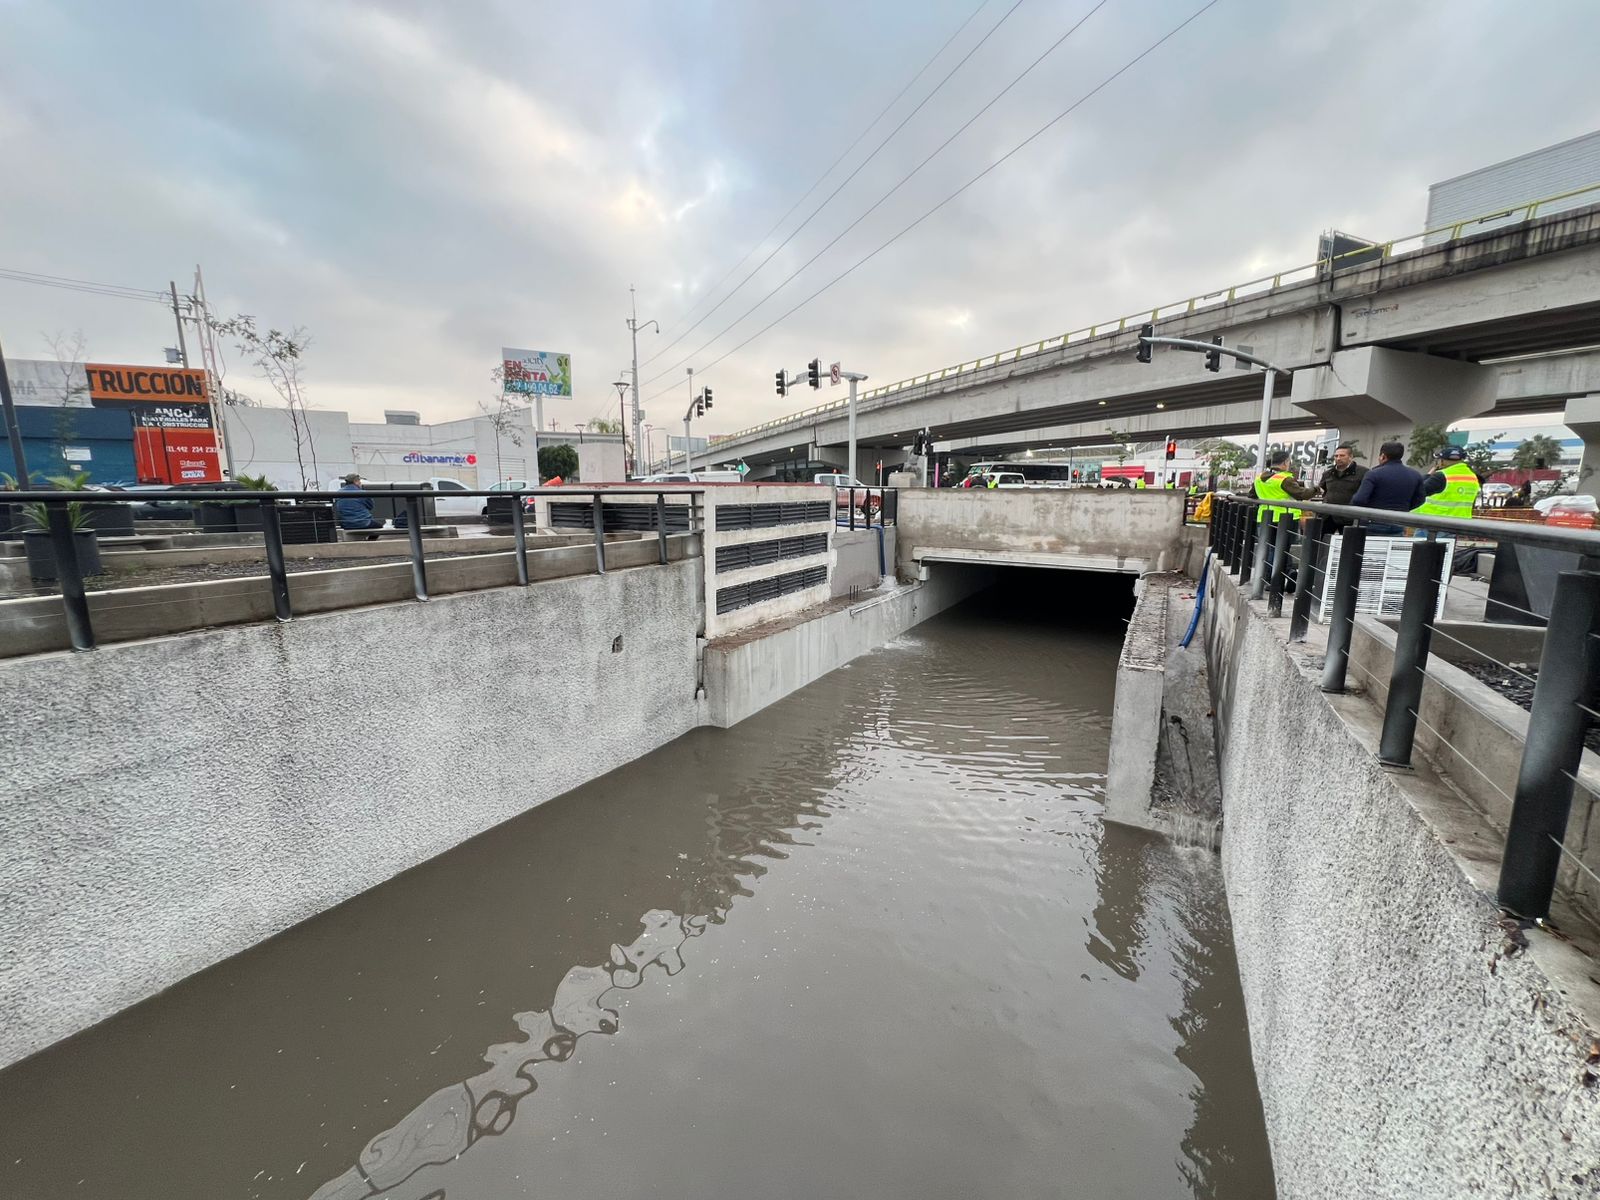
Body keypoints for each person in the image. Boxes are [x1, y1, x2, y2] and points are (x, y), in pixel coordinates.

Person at [1253, 450, 1314, 576]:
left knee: (1269, 548)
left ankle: (1277, 575)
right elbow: (1302, 494)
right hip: (1285, 518)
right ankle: (1279, 576)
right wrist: (1317, 489)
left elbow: (1251, 495)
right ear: (1286, 462)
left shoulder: (1259, 478)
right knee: (1281, 548)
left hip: (1264, 518)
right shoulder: (1285, 479)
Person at [1349, 441, 1425, 535]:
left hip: (1372, 523)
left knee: (1367, 549)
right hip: (1399, 522)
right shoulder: (1415, 475)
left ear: (1383, 456)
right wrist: (1403, 508)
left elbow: (1359, 499)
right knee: (1392, 548)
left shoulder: (1373, 474)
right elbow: (1420, 499)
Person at [1412, 445, 1482, 521]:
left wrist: (1428, 474)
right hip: (1462, 522)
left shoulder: (1442, 476)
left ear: (1443, 461)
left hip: (1435, 521)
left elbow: (1419, 490)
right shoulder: (1472, 477)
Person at [1317, 443, 1368, 529]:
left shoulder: (1363, 473)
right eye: (1336, 456)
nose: (1338, 458)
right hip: (1328, 516)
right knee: (1323, 541)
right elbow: (1322, 490)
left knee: (1347, 541)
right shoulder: (1328, 474)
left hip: (1349, 517)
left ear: (1350, 457)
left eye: (1342, 455)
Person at [335, 472, 384, 539]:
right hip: (363, 523)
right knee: (379, 526)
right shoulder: (362, 493)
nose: (360, 483)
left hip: (346, 524)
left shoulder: (338, 493)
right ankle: (370, 542)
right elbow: (371, 506)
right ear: (356, 481)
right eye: (359, 481)